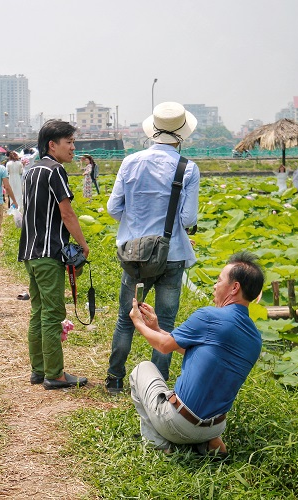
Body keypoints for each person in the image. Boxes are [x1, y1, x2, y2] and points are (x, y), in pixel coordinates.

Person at [129, 252, 265, 457]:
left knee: (142, 369)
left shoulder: (210, 316)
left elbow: (164, 347)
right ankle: (207, 443)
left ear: (234, 288)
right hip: (216, 427)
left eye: (219, 281)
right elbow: (193, 349)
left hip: (178, 423)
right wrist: (156, 328)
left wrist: (138, 323)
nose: (215, 286)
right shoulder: (255, 338)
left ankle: (160, 445)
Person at [105, 102, 200, 394]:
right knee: (166, 322)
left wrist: (136, 224)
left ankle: (115, 378)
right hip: (172, 255)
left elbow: (113, 208)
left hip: (135, 254)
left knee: (126, 317)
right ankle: (156, 387)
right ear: (181, 133)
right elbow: (188, 218)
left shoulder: (130, 161)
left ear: (152, 130)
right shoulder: (188, 167)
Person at [18, 119, 90, 390]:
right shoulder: (55, 169)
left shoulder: (31, 170)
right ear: (52, 145)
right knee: (52, 314)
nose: (73, 148)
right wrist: (83, 244)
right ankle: (55, 375)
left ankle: (39, 370)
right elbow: (67, 212)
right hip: (49, 254)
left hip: (30, 252)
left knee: (38, 312)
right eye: (69, 142)